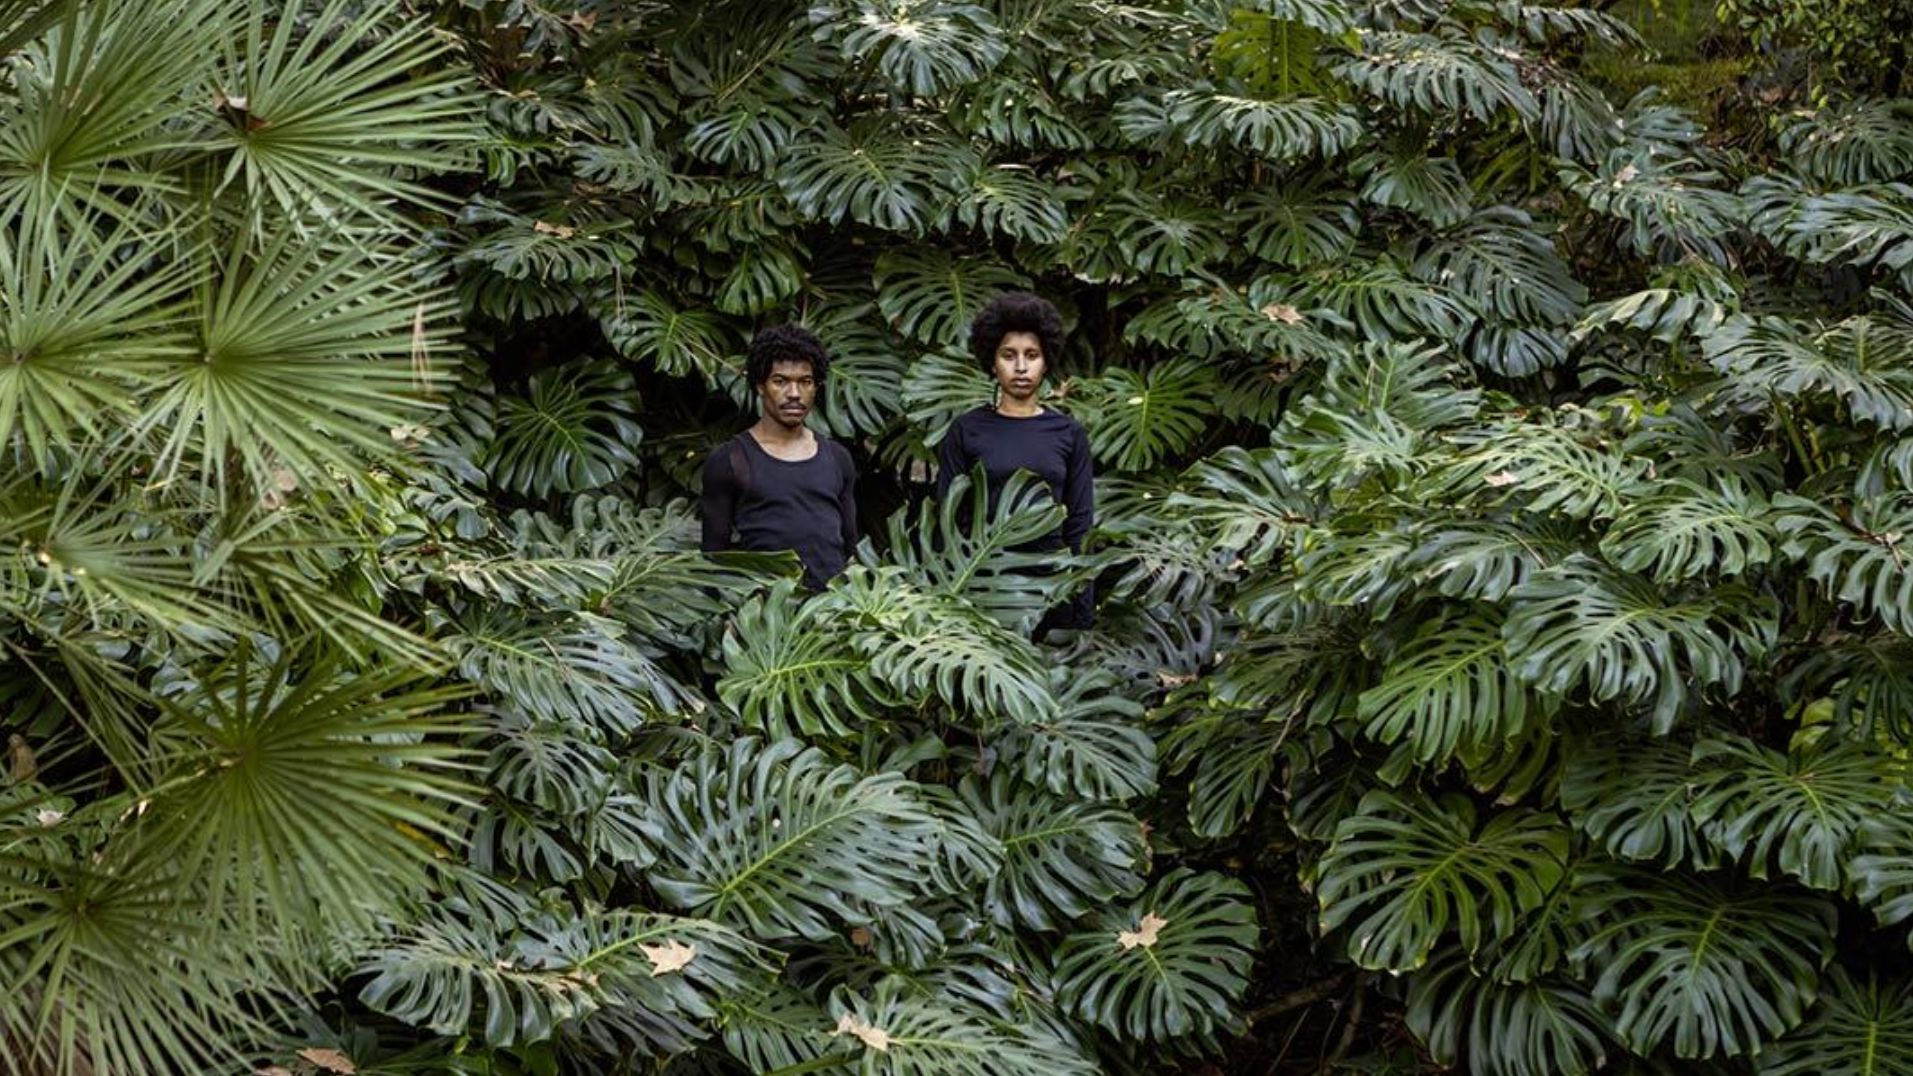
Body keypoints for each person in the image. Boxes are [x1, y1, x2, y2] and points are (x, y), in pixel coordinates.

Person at [935, 292, 1095, 633]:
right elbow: (947, 520)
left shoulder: (1069, 433)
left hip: (1052, 590)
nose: (1021, 367)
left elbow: (1080, 525)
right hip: (983, 588)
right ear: (992, 363)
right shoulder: (966, 430)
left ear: (1046, 362)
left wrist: (1082, 614)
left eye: (1031, 355)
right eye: (1009, 355)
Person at [701, 325, 858, 591]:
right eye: (780, 381)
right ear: (760, 386)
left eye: (805, 382)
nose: (794, 393)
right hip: (765, 611)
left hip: (833, 608)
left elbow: (851, 546)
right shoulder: (731, 460)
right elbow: (714, 558)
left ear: (816, 387)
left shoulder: (837, 458)